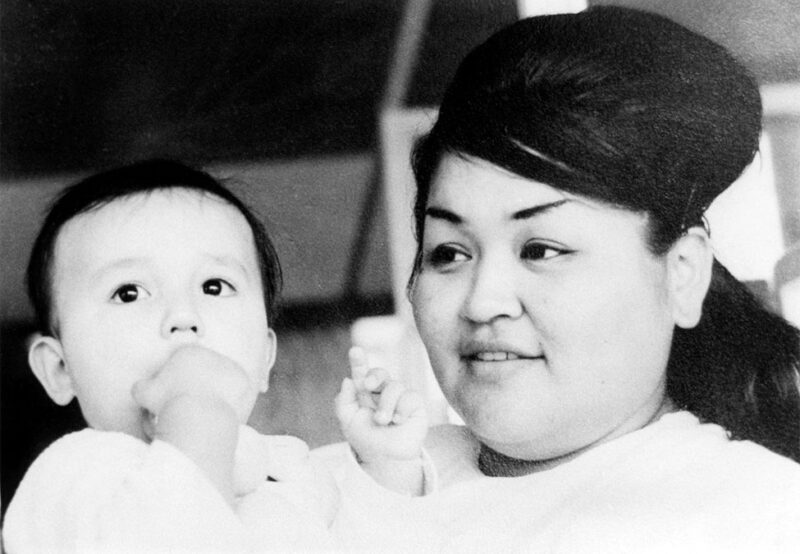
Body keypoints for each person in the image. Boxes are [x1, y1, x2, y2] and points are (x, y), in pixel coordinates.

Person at [318, 6, 800, 552]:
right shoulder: (337, 486)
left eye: (541, 250)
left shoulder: (760, 516)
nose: (483, 302)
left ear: (681, 275)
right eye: (449, 253)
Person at [2, 159, 428, 552]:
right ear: (60, 369)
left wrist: (387, 473)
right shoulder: (70, 477)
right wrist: (196, 410)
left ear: (263, 359)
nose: (183, 317)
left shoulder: (292, 474)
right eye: (128, 292)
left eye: (214, 286)